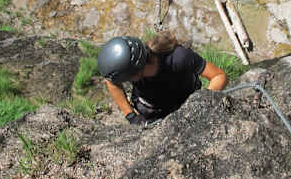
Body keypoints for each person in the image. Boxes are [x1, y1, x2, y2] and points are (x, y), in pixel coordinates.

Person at [97, 32, 228, 125]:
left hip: (187, 100)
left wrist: (199, 106)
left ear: (136, 72)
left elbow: (219, 76)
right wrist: (131, 115)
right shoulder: (130, 68)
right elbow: (111, 82)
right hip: (154, 110)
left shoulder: (178, 58)